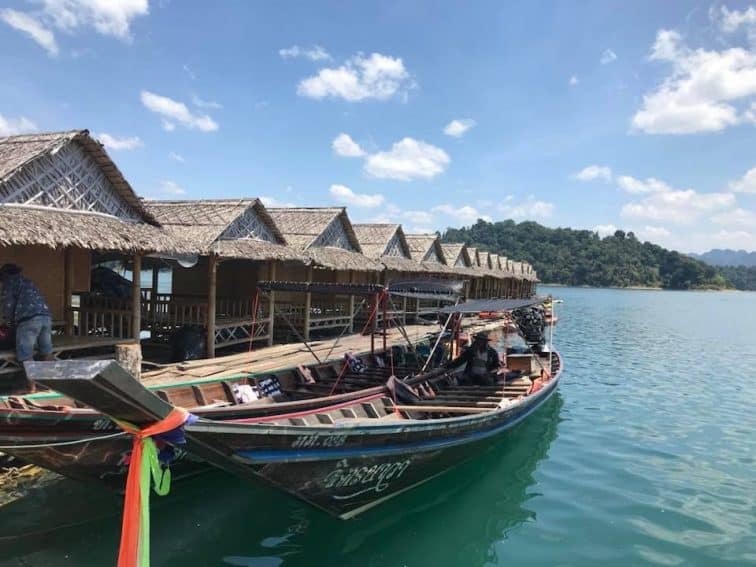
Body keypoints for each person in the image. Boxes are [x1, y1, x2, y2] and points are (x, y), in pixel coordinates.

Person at [0, 264, 54, 363]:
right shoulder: (28, 281)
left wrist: (8, 322)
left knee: (26, 353)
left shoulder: (9, 284)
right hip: (46, 317)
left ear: (3, 276)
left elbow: (8, 306)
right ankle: (51, 375)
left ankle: (32, 378)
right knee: (46, 351)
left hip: (28, 320)